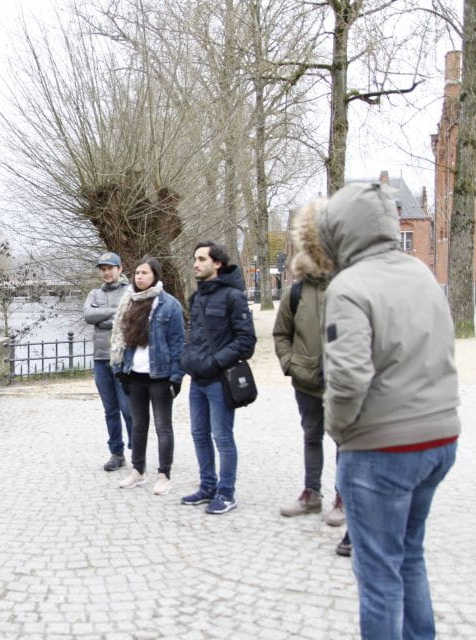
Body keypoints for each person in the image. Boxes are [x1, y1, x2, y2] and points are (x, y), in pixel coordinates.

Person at [303, 183, 460, 639]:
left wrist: (339, 430)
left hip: (382, 448)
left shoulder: (349, 286)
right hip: (439, 439)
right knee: (410, 556)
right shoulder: (421, 273)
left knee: (379, 577)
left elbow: (347, 378)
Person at [272, 200, 346, 528]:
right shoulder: (296, 291)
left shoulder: (349, 285)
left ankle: (344, 498)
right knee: (311, 436)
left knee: (345, 440)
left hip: (343, 382)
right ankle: (311, 494)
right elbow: (281, 333)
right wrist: (291, 364)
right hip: (305, 380)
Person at [180, 242, 256, 515]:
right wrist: (186, 359)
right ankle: (207, 486)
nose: (196, 264)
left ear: (218, 263)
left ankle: (226, 493)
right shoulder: (197, 297)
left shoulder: (233, 297)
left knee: (222, 437)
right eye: (195, 259)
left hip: (220, 380)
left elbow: (246, 341)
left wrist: (214, 362)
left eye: (201, 259)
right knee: (199, 434)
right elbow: (193, 335)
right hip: (197, 380)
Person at [110, 256, 184, 495]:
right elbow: (122, 341)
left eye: (145, 273)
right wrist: (121, 371)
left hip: (160, 376)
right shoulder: (129, 302)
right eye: (137, 273)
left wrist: (176, 377)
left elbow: (177, 343)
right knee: (139, 425)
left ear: (155, 276)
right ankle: (138, 471)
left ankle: (164, 475)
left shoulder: (169, 305)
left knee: (163, 427)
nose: (139, 277)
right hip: (135, 375)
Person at [83, 251, 134, 472]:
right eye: (103, 269)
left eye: (110, 268)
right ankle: (116, 452)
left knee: (127, 408)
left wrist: (102, 317)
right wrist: (114, 313)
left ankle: (137, 449)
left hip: (122, 358)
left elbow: (127, 319)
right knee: (110, 409)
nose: (106, 273)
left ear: (120, 269)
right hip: (100, 358)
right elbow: (87, 315)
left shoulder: (130, 292)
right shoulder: (94, 293)